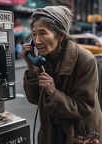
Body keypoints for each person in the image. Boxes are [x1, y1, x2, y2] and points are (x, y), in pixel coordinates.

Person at [21, 5, 102, 144]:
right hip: (51, 131)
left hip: (79, 134)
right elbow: (35, 99)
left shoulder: (85, 60)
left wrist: (53, 92)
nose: (37, 41)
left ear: (60, 34)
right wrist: (31, 67)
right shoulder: (43, 59)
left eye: (43, 33)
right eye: (34, 34)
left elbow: (84, 108)